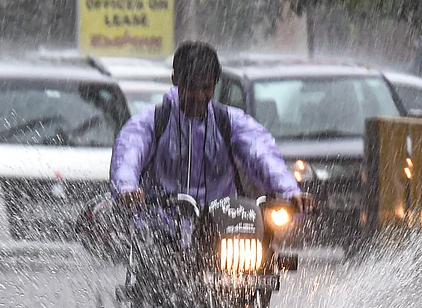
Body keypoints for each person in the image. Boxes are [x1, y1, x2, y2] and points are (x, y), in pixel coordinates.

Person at [110, 41, 314, 212]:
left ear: (215, 84)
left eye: (206, 88)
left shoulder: (230, 121)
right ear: (175, 80)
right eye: (191, 88)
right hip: (159, 232)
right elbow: (129, 154)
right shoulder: (152, 121)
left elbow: (262, 154)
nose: (198, 97)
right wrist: (127, 188)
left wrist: (289, 191)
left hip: (222, 229)